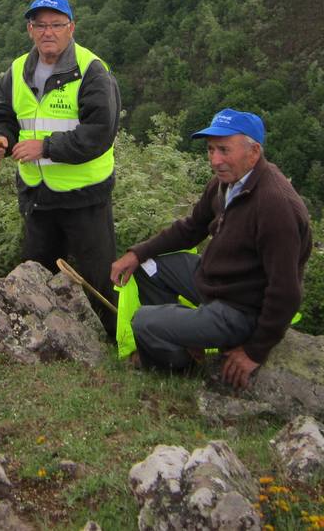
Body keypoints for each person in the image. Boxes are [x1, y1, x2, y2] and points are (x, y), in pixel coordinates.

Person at [109, 108, 311, 388]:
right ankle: (182, 345)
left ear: (253, 152)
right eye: (211, 149)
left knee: (142, 321)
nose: (215, 160)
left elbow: (286, 290)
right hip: (215, 281)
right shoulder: (226, 183)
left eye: (224, 150)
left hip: (240, 309)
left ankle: (179, 365)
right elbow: (191, 228)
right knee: (147, 266)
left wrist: (255, 351)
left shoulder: (275, 206)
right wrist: (137, 252)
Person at [0, 0, 121, 337]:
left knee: (99, 277)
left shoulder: (92, 71)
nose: (48, 32)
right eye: (40, 24)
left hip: (85, 197)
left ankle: (117, 341)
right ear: (30, 30)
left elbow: (99, 133)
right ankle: (35, 338)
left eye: (56, 24)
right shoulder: (17, 70)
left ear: (71, 28)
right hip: (38, 196)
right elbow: (2, 114)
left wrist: (45, 147)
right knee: (36, 272)